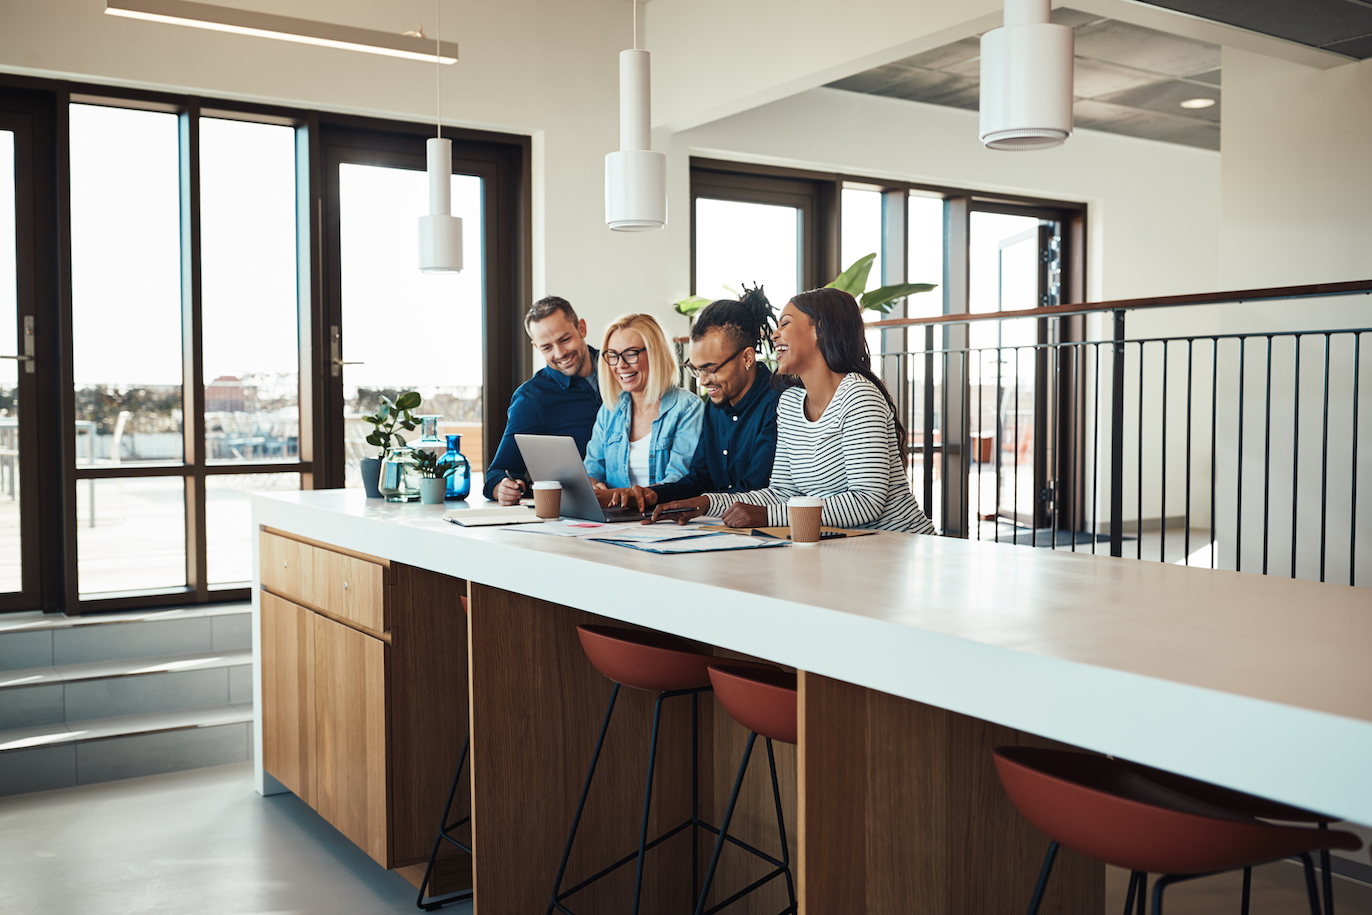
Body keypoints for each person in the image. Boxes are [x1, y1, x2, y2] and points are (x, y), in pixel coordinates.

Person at [652, 287, 936, 533]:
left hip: (900, 547)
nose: (775, 335)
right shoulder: (789, 404)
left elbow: (866, 502)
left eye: (785, 324)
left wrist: (769, 516)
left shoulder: (857, 396)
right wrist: (707, 503)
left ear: (820, 329)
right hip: (846, 549)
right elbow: (782, 492)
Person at [602, 286, 781, 514]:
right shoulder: (715, 407)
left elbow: (756, 490)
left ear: (746, 357)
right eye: (696, 370)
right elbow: (700, 478)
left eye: (710, 369)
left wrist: (704, 504)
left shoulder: (779, 403)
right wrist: (655, 494)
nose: (702, 382)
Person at [482, 296, 601, 504]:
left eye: (565, 339)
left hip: (643, 501)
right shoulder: (531, 398)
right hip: (582, 511)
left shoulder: (621, 369)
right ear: (536, 347)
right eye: (547, 347)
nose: (560, 353)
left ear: (581, 328)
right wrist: (503, 487)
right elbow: (498, 473)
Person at [583, 313, 703, 490]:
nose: (620, 365)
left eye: (630, 354)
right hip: (617, 515)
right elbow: (592, 471)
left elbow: (678, 480)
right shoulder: (610, 410)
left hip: (662, 516)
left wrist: (627, 498)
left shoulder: (688, 408)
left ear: (656, 353)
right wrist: (593, 487)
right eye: (613, 355)